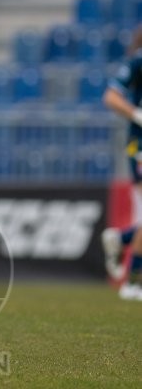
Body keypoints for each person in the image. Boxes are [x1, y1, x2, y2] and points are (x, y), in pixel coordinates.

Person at [102, 25, 142, 300]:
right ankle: (134, 281)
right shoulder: (139, 60)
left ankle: (124, 238)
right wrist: (138, 114)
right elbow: (112, 96)